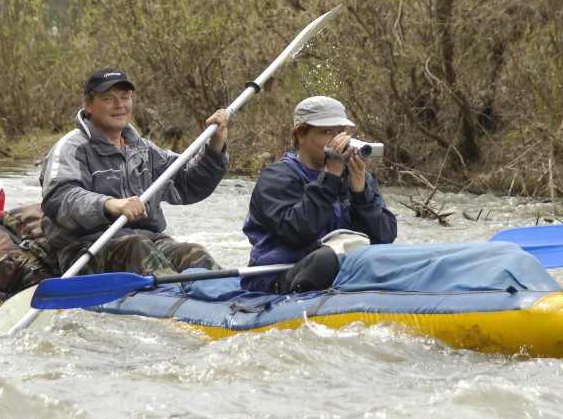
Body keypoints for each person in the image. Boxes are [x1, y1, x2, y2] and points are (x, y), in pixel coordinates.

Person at [40, 67, 230, 278]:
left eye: (125, 97)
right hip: (85, 249)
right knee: (137, 248)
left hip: (148, 242)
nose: (119, 105)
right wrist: (108, 204)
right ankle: (171, 300)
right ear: (88, 105)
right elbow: (58, 198)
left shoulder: (145, 150)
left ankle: (231, 301)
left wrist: (215, 146)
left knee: (195, 254)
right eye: (109, 99)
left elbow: (189, 184)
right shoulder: (70, 148)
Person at [241, 95, 397, 293]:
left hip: (343, 273)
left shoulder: (358, 177)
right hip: (279, 276)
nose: (336, 139)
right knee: (327, 259)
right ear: (301, 136)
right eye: (326, 132)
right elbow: (298, 233)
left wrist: (360, 193)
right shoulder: (276, 178)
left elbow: (384, 238)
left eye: (340, 131)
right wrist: (329, 177)